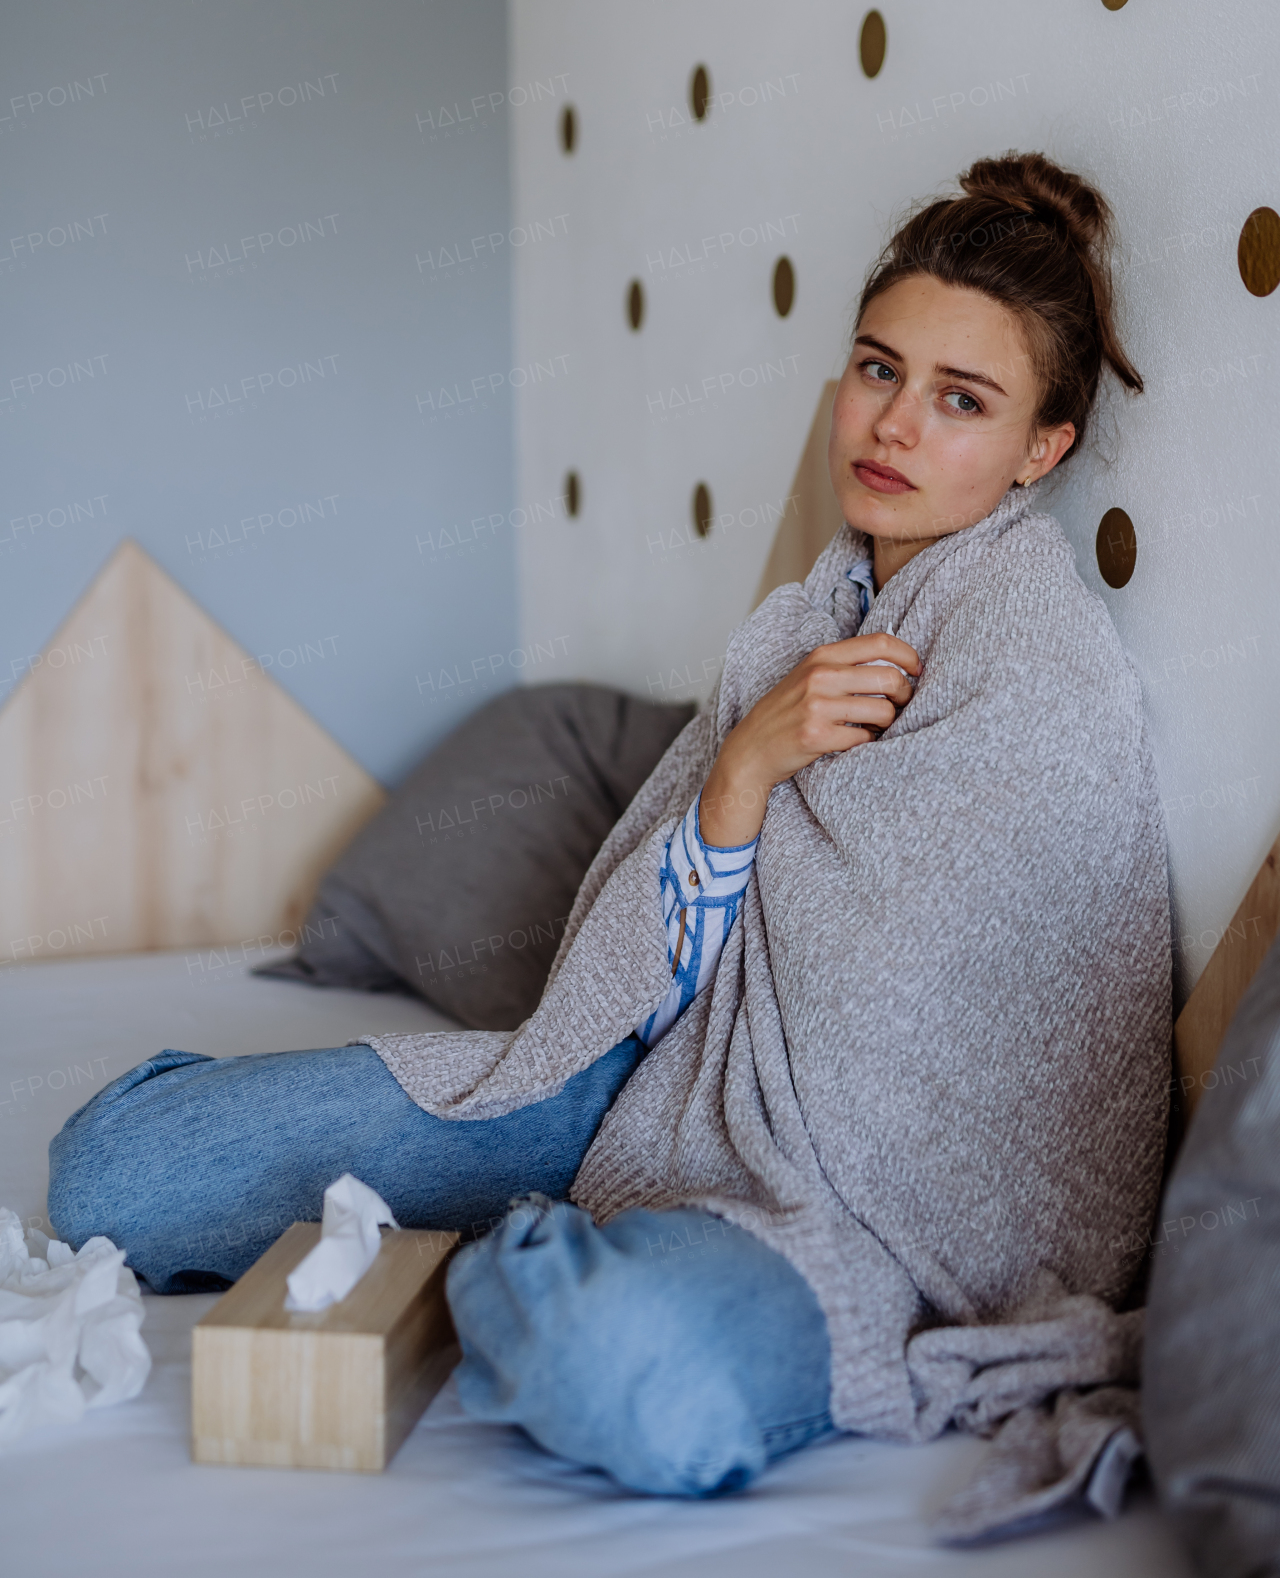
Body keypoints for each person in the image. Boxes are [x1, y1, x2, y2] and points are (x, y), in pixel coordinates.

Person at [48, 151, 1171, 1520]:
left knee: (631, 1374)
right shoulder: (795, 626)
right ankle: (556, 1227)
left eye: (962, 400)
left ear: (1040, 449)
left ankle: (528, 1262)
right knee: (119, 1172)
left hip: (856, 1223)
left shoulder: (1039, 669)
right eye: (878, 370)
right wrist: (748, 763)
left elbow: (1007, 1054)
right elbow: (668, 951)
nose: (894, 425)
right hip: (635, 1080)